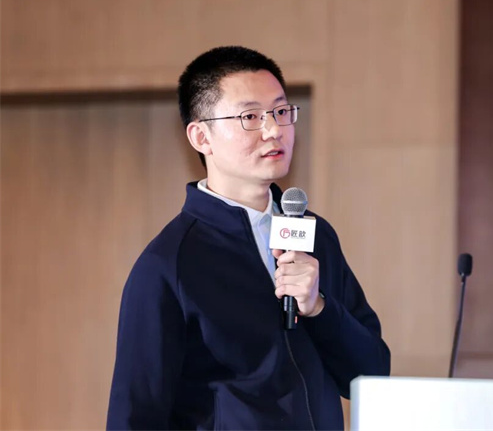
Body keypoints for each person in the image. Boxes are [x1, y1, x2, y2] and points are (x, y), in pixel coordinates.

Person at [106, 45, 391, 430]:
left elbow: (371, 373)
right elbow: (135, 416)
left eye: (281, 112)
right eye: (250, 117)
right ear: (201, 137)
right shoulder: (169, 263)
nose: (274, 130)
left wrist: (318, 307)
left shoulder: (316, 235)